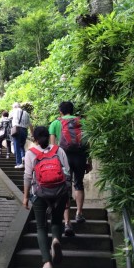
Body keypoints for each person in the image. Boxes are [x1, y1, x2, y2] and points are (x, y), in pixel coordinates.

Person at [23, 126, 70, 268]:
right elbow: (67, 172)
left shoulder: (31, 153)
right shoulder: (58, 150)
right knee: (57, 221)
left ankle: (47, 263)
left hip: (39, 194)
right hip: (60, 193)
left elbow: (28, 176)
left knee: (41, 227)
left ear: (35, 138)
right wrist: (67, 194)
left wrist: (25, 197)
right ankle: (56, 239)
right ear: (48, 136)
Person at [49, 101, 92, 237]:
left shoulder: (55, 123)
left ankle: (67, 222)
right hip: (79, 156)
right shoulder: (82, 122)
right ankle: (79, 213)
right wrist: (89, 160)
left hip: (63, 158)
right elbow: (88, 142)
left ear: (60, 111)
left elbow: (52, 145)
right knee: (78, 184)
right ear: (72, 111)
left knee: (64, 189)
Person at [10, 102, 34, 169]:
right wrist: (32, 135)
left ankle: (19, 163)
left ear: (14, 107)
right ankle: (23, 157)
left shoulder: (14, 111)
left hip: (17, 130)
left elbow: (9, 118)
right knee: (21, 146)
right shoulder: (26, 113)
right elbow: (30, 125)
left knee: (16, 147)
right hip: (25, 131)